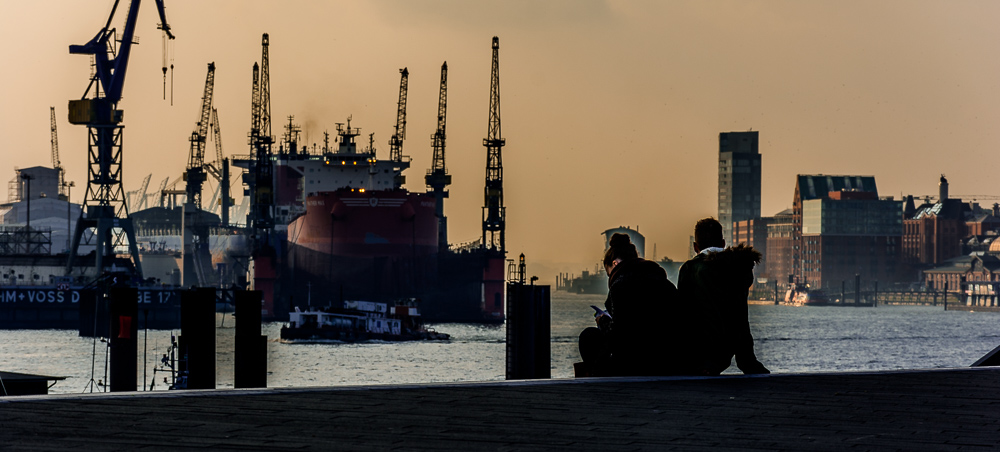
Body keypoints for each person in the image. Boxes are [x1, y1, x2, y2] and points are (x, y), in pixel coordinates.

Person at [578, 232, 682, 376]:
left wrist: (602, 321)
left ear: (614, 263)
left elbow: (618, 335)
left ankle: (599, 380)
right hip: (668, 360)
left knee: (588, 336)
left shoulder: (620, 286)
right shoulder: (662, 281)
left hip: (635, 363)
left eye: (608, 273)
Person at [677, 217, 770, 375]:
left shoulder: (690, 270)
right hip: (733, 347)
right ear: (723, 243)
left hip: (701, 352)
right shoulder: (740, 268)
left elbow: (683, 312)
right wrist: (747, 359)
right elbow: (740, 316)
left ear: (695, 247)